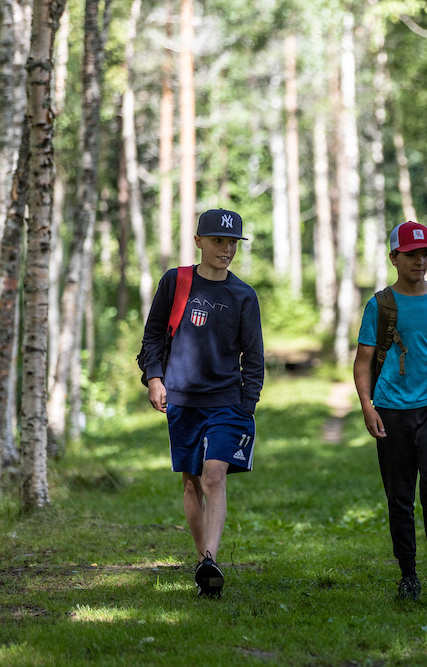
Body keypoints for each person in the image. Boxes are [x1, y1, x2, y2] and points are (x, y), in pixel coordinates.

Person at [138, 208, 264, 597]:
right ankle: (204, 565)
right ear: (199, 242)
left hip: (227, 401)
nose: (226, 249)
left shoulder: (243, 295)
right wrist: (155, 379)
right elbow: (153, 338)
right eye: (218, 241)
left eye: (232, 243)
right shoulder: (176, 281)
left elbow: (255, 358)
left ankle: (211, 558)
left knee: (213, 476)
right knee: (192, 483)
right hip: (182, 400)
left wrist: (247, 406)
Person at [353, 221, 427, 610]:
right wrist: (367, 405)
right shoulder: (380, 305)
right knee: (400, 497)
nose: (420, 261)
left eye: (425, 254)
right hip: (390, 409)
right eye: (411, 254)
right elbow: (363, 362)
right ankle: (408, 575)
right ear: (394, 258)